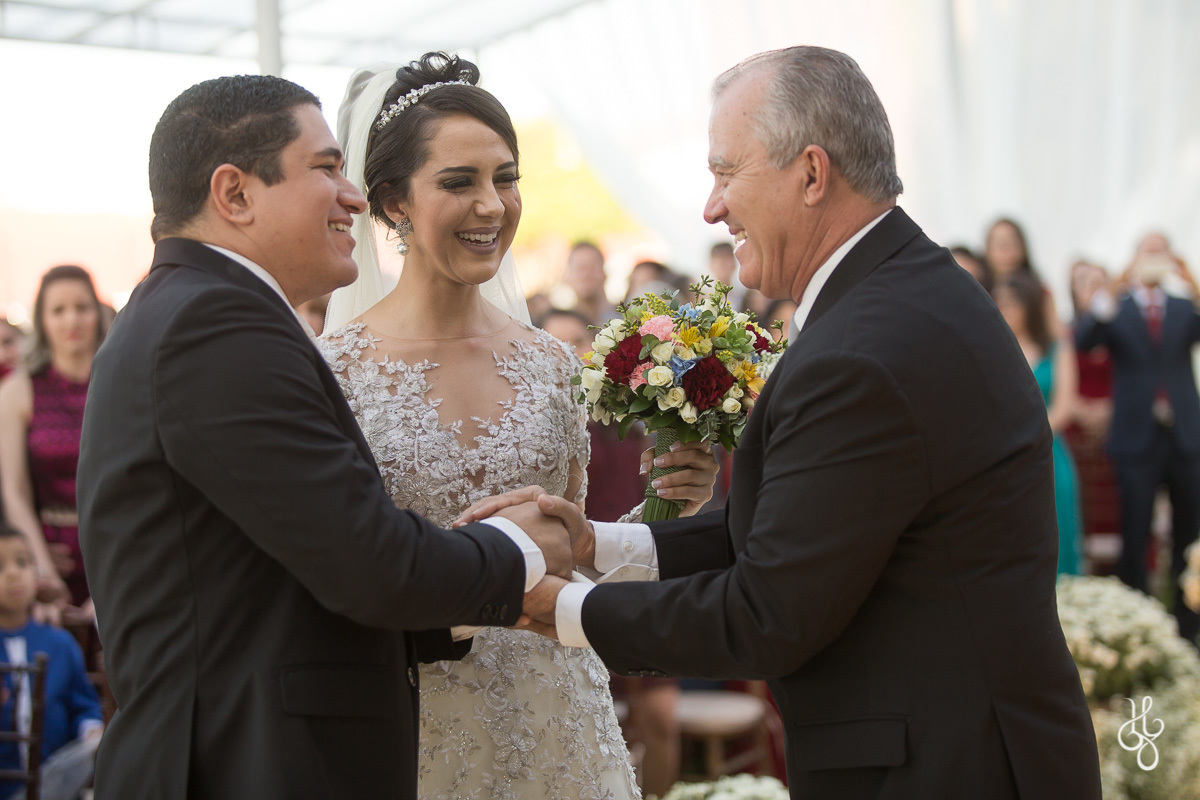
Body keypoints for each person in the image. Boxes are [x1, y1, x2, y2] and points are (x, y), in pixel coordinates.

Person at [468, 45, 1101, 797]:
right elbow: (802, 530)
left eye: (725, 172)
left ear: (810, 173)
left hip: (943, 767)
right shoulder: (901, 293)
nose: (711, 207)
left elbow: (768, 613)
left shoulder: (866, 348)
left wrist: (560, 606)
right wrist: (597, 543)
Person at [76, 73, 576, 800]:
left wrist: (470, 616)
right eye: (326, 168)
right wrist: (524, 548)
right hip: (243, 765)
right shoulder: (213, 325)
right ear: (235, 193)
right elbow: (368, 564)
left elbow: (290, 573)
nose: (352, 195)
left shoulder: (206, 311)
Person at [321, 53, 717, 799]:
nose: (492, 206)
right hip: (416, 729)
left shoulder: (549, 364)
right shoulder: (332, 371)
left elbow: (573, 554)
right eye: (458, 182)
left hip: (561, 723)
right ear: (392, 202)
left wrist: (668, 505)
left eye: (505, 178)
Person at [1075, 235, 1200, 644]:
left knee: (1189, 533)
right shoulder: (1119, 308)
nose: (1153, 257)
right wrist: (1113, 287)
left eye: (1159, 250)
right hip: (1135, 438)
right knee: (1135, 530)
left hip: (1184, 437)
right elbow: (1086, 338)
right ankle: (1137, 626)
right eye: (1146, 250)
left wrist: (1190, 279)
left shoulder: (1184, 307)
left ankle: (1187, 625)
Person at [0, 266, 106, 626]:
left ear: (98, 312)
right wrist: (41, 568)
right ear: (42, 320)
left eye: (82, 307)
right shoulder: (19, 390)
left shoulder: (123, 381)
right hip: (45, 554)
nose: (71, 319)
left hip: (120, 548)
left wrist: (115, 581)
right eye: (58, 310)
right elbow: (14, 491)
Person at [0, 522, 103, 800]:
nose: (13, 575)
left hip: (55, 784)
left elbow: (85, 705)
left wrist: (91, 731)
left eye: (22, 562)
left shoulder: (60, 644)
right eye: (1, 566)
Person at [992, 273, 1084, 574]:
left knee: (1056, 532)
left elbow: (1064, 407)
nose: (1003, 308)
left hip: (1049, 452)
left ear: (1029, 305)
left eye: (1011, 303)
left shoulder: (1057, 348)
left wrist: (1028, 435)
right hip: (1001, 454)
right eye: (999, 301)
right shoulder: (993, 348)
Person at [564, 240, 617, 325]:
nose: (587, 275)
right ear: (567, 277)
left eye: (592, 267)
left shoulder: (627, 320)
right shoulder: (561, 325)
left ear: (605, 274)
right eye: (580, 268)